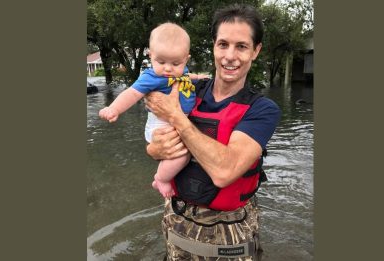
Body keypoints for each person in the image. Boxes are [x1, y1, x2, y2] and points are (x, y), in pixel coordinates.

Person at [145, 4, 281, 260]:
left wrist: (176, 116)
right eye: (223, 44)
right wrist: (153, 148)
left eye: (241, 46)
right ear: (213, 46)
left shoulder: (262, 110)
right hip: (176, 222)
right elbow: (154, 142)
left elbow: (224, 172)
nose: (230, 56)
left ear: (256, 51)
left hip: (231, 234)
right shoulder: (186, 90)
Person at [99, 22, 209, 198]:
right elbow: (131, 94)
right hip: (161, 125)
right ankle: (161, 179)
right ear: (150, 56)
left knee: (188, 153)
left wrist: (200, 77)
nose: (168, 68)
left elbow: (188, 77)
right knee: (181, 155)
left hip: (178, 122)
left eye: (175, 63)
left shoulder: (181, 72)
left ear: (186, 59)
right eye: (161, 61)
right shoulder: (151, 77)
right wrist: (114, 108)